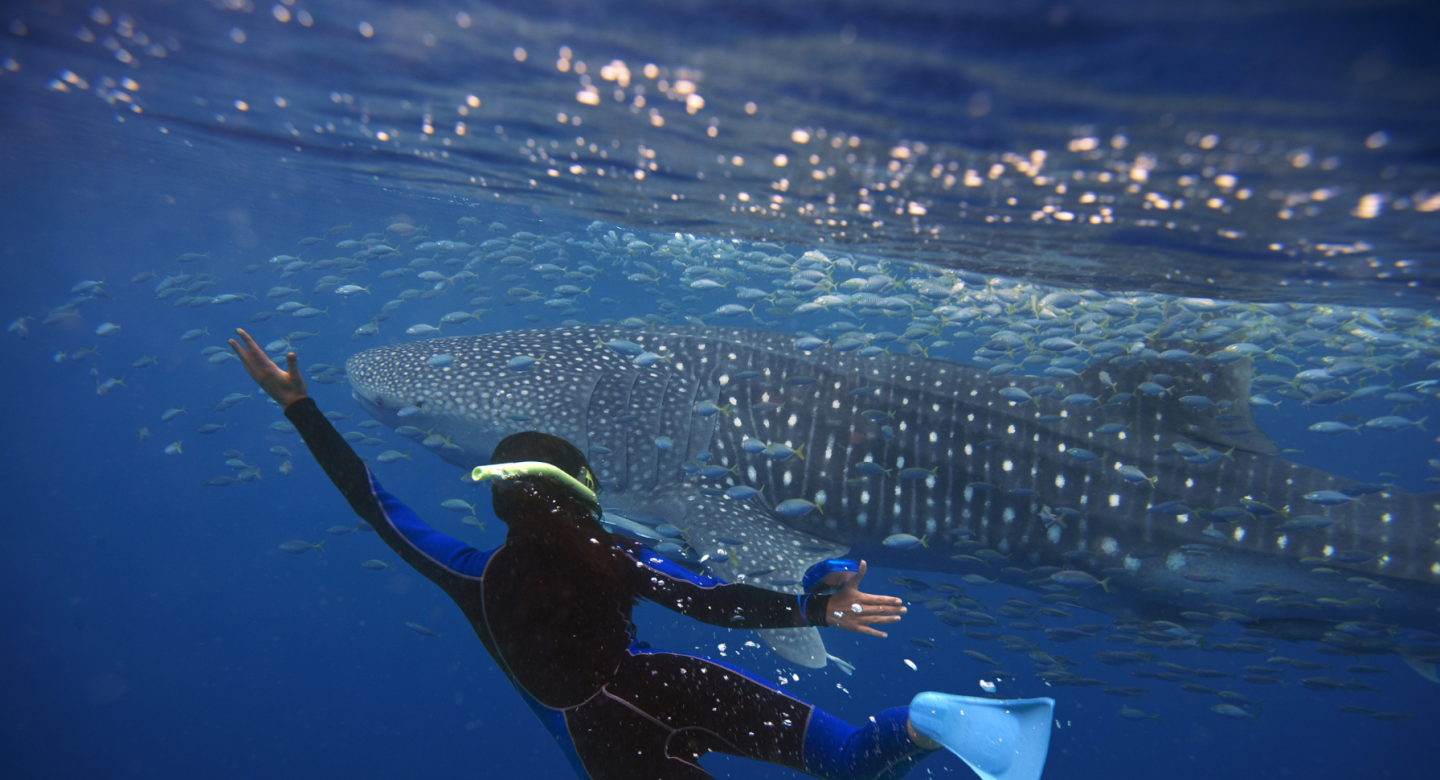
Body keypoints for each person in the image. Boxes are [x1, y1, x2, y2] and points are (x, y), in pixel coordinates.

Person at [229, 328, 1055, 780]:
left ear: (497, 493)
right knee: (842, 758)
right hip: (674, 683)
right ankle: (921, 721)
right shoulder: (616, 553)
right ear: (584, 489)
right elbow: (713, 600)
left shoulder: (471, 574)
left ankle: (922, 726)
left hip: (610, 740)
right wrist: (811, 610)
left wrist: (302, 410)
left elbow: (377, 508)